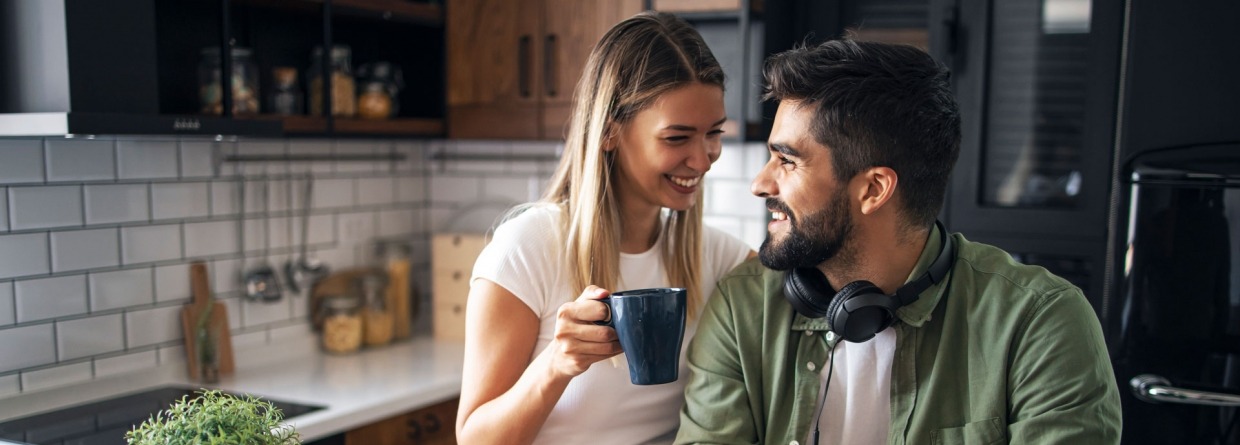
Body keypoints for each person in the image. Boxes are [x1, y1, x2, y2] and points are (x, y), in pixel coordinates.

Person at [676, 38, 1122, 444]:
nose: (760, 183)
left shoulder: (1040, 322)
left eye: (787, 161)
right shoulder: (742, 306)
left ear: (873, 189)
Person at [455, 11, 754, 445]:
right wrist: (557, 363)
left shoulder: (716, 256)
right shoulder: (528, 248)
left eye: (714, 133)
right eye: (677, 138)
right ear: (610, 132)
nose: (704, 157)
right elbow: (475, 439)